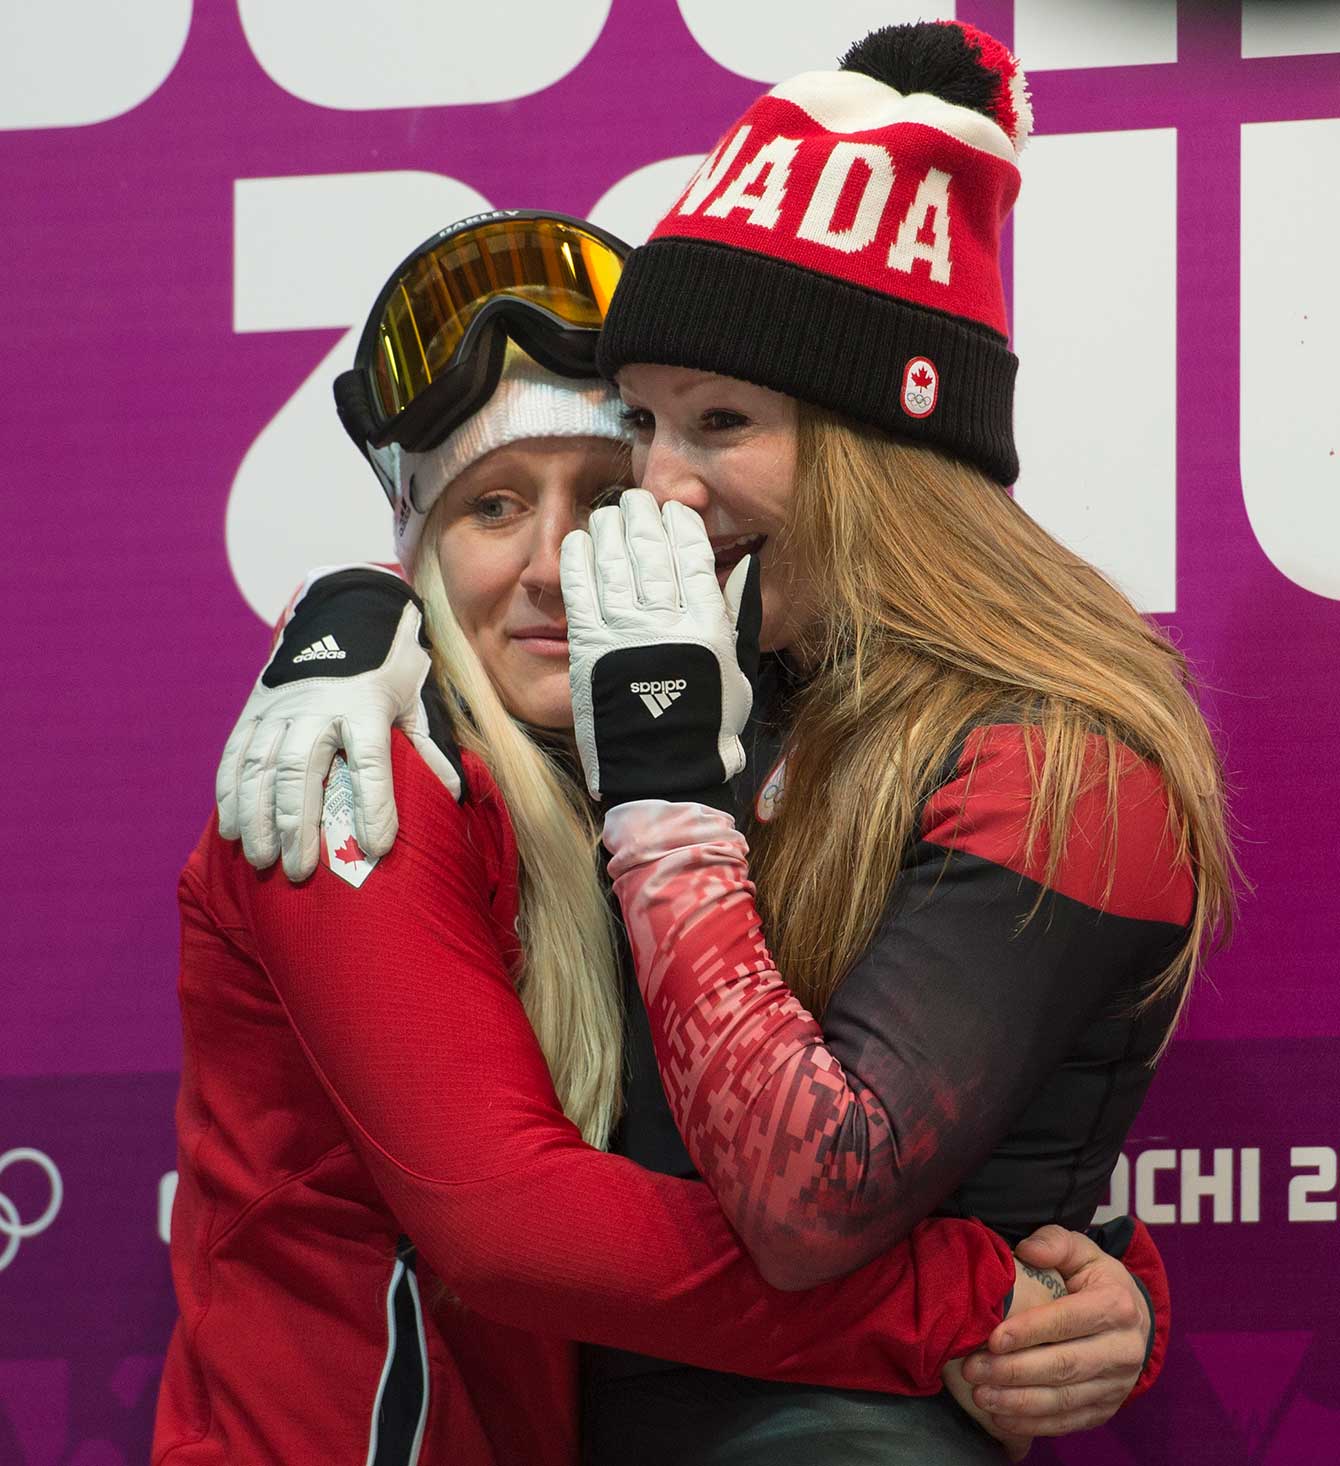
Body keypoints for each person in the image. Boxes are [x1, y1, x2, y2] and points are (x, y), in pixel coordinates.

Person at [161, 210, 1161, 1466]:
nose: (549, 564)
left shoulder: (674, 786)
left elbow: (788, 1122)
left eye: (601, 501)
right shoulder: (357, 764)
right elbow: (510, 1224)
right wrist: (961, 1303)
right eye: (491, 507)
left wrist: (1088, 1287)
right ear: (412, 545)